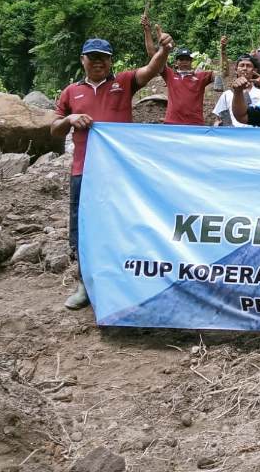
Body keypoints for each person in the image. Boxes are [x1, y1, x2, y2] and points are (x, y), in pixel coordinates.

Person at [52, 32, 173, 310]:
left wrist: (164, 50)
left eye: (104, 58)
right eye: (93, 58)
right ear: (83, 60)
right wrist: (70, 118)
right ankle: (84, 283)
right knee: (81, 226)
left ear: (110, 61)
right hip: (84, 169)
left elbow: (152, 69)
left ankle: (124, 280)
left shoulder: (124, 82)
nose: (99, 63)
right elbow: (53, 128)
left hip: (120, 172)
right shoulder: (71, 92)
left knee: (123, 223)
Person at [141, 16, 215, 125]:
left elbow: (223, 74)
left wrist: (222, 51)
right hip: (172, 124)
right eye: (181, 59)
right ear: (176, 62)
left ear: (191, 62)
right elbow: (153, 55)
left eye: (187, 59)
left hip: (195, 125)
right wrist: (147, 30)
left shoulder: (200, 77)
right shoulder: (170, 75)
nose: (184, 62)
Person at [212, 53, 260, 127]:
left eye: (248, 66)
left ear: (254, 70)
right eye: (242, 65)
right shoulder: (227, 94)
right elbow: (219, 119)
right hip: (233, 134)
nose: (245, 68)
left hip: (256, 134)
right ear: (236, 70)